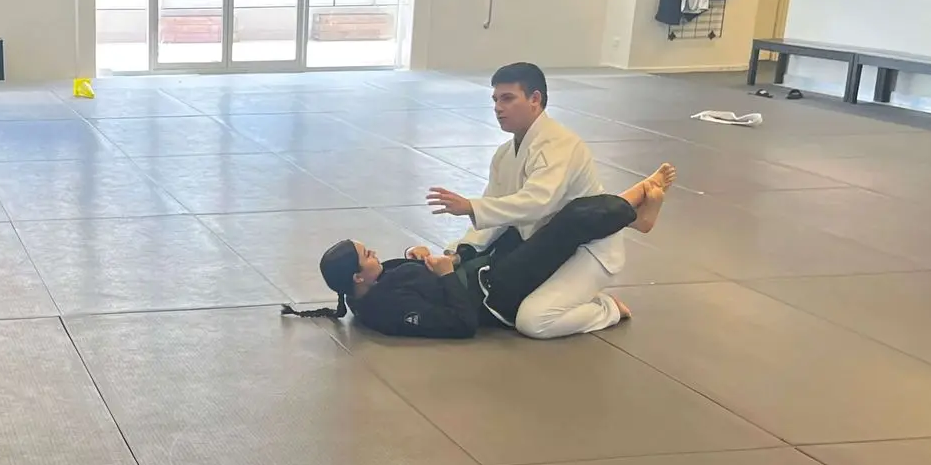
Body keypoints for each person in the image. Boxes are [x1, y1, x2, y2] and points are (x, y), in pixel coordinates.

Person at [288, 166, 676, 338]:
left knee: (528, 211)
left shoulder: (372, 284)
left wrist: (415, 254)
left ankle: (628, 212)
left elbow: (401, 273)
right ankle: (635, 207)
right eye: (367, 255)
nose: (375, 254)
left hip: (477, 269)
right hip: (497, 297)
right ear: (358, 277)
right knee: (565, 227)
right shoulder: (384, 313)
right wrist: (442, 274)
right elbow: (460, 325)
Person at [425, 62, 634, 340]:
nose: (498, 108)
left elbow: (537, 202)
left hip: (590, 249)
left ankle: (608, 308)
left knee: (533, 321)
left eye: (508, 98)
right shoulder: (503, 154)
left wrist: (472, 207)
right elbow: (495, 212)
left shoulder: (560, 145)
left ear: (535, 99)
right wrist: (459, 250)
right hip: (543, 249)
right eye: (496, 100)